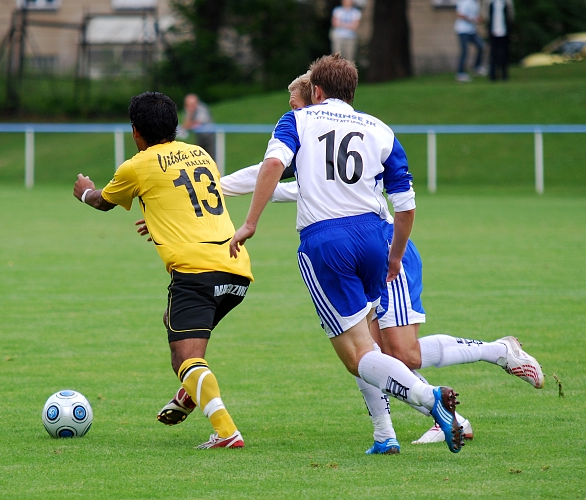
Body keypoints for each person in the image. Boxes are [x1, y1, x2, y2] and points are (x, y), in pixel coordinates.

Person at [230, 54, 467, 454]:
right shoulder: (379, 129)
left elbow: (272, 164)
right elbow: (406, 204)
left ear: (316, 91)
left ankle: (432, 400)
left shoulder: (298, 121)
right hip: (376, 237)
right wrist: (395, 255)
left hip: (327, 241)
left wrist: (251, 222)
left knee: (358, 354)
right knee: (371, 342)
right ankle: (384, 435)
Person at [72, 91, 253, 449]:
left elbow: (103, 202)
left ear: (136, 132)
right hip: (236, 270)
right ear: (173, 125)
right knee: (175, 327)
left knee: (186, 357)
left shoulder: (136, 165)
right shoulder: (199, 153)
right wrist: (156, 219)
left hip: (196, 272)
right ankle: (190, 393)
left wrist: (84, 191)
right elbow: (193, 201)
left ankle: (226, 432)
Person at [454, 0, 487, 82]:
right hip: (462, 30)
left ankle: (476, 67)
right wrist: (472, 19)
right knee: (465, 51)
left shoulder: (477, 4)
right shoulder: (466, 2)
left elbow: (478, 17)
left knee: (481, 46)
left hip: (472, 31)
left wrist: (479, 20)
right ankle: (460, 73)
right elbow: (460, 15)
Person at [483, 0, 514, 81]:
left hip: (504, 32)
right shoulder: (489, 2)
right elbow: (486, 16)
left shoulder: (506, 2)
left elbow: (511, 16)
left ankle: (504, 75)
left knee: (504, 54)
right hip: (493, 32)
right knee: (493, 54)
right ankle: (493, 75)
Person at [182, 93, 216, 158]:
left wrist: (190, 124)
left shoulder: (202, 109)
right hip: (199, 137)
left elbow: (198, 123)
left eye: (191, 104)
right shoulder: (188, 111)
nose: (190, 106)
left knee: (211, 157)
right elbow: (185, 125)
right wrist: (190, 114)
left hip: (209, 137)